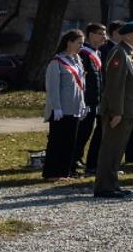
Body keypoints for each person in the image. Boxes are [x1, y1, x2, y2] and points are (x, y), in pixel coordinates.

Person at [93, 21, 133, 199]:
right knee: (110, 149)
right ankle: (104, 186)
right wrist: (116, 111)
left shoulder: (132, 52)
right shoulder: (119, 52)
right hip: (119, 110)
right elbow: (115, 85)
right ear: (128, 35)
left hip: (129, 109)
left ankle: (112, 183)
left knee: (118, 150)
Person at [43, 29, 89, 180]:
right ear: (69, 42)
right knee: (57, 142)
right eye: (79, 43)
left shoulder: (77, 60)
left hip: (74, 108)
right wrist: (56, 107)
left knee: (70, 142)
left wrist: (82, 104)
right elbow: (53, 87)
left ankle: (64, 171)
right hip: (61, 109)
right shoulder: (57, 61)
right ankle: (52, 173)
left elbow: (81, 85)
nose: (81, 46)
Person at [75, 22, 107, 173]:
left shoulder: (97, 53)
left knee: (87, 131)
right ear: (91, 35)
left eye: (104, 34)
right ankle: (74, 158)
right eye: (101, 34)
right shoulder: (84, 53)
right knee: (82, 131)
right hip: (87, 100)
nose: (104, 37)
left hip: (95, 99)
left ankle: (78, 157)